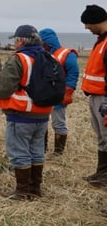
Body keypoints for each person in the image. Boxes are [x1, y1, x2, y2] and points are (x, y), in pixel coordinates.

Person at [0, 25, 51, 199]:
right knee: (37, 151)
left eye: (16, 40)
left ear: (21, 41)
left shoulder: (19, 59)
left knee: (19, 153)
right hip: (43, 115)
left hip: (21, 114)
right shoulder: (48, 57)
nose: (15, 43)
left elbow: (2, 89)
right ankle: (35, 189)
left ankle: (22, 192)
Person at [38, 28, 79, 156]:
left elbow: (73, 74)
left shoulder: (67, 54)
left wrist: (68, 92)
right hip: (43, 95)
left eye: (42, 42)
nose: (40, 45)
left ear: (48, 42)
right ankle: (41, 149)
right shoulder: (42, 53)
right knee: (41, 124)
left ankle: (58, 152)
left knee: (59, 123)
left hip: (58, 96)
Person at [80, 4, 107, 188]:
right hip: (95, 96)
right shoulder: (101, 40)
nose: (86, 27)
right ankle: (102, 173)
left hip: (103, 98)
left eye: (88, 23)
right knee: (101, 137)